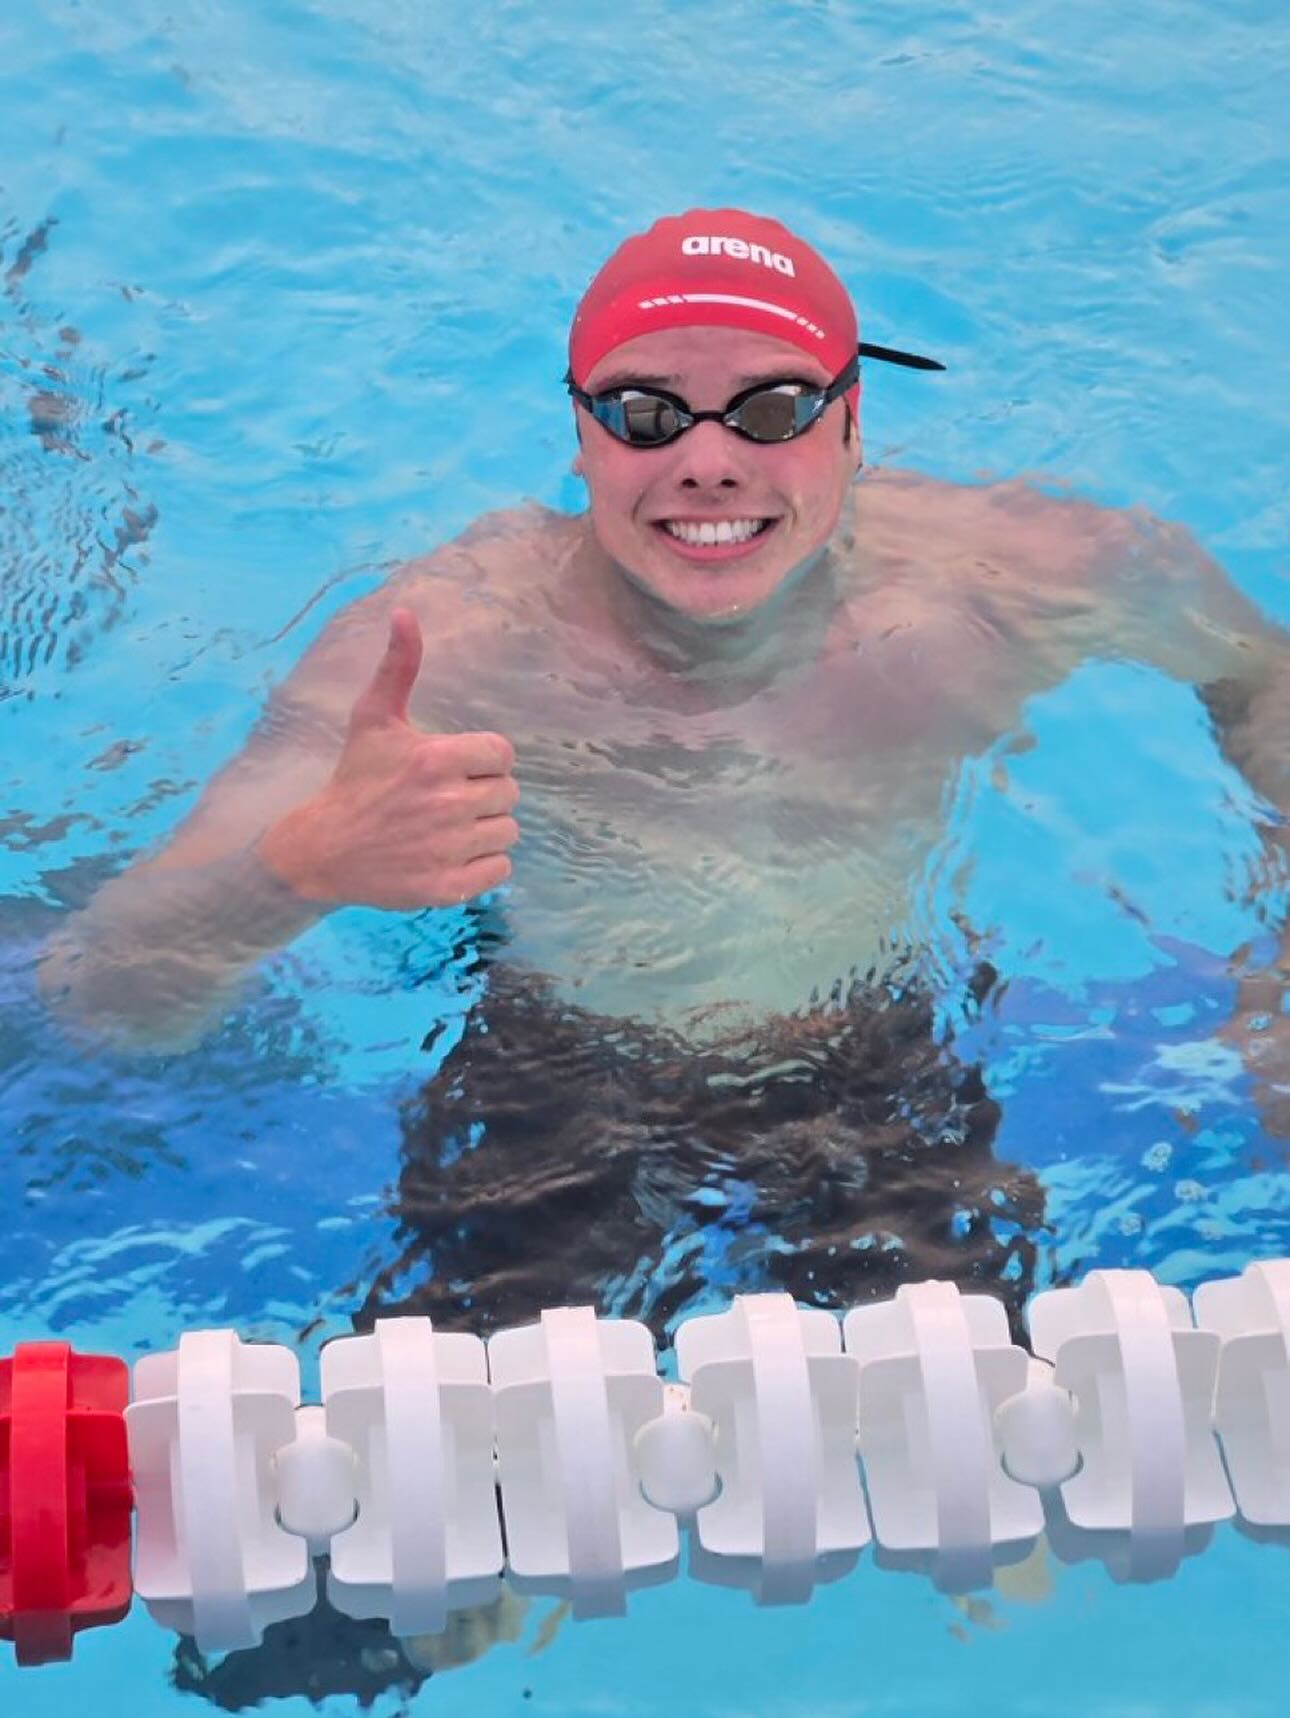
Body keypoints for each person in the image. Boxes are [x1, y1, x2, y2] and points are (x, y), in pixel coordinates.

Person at [39, 208, 1290, 1336]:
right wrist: (298, 870)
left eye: (772, 408)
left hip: (882, 1049)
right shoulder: (442, 646)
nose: (707, 462)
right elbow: (100, 993)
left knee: (996, 1501)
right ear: (578, 435)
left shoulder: (1025, 577)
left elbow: (1262, 675)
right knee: (467, 1531)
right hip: (557, 1068)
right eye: (644, 413)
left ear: (855, 422)